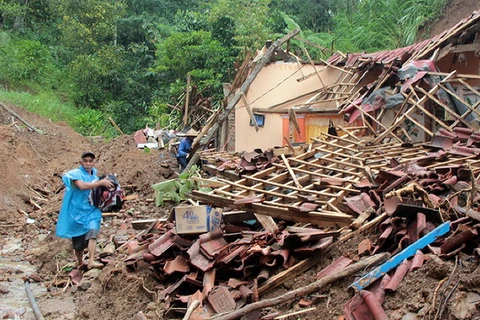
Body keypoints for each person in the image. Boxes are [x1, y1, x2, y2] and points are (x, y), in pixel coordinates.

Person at [56, 151, 114, 269]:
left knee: (93, 232)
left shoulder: (94, 176)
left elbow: (98, 190)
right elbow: (82, 186)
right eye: (85, 161)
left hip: (91, 210)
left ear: (94, 162)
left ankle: (91, 260)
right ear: (81, 162)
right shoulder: (74, 174)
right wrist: (100, 183)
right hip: (76, 211)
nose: (88, 163)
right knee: (78, 241)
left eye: (90, 161)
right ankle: (79, 261)